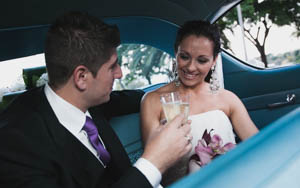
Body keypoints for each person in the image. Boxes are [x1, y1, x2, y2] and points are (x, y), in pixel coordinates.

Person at [0, 11, 192, 188]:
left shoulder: (83, 98)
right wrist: (154, 161)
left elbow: (130, 98)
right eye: (112, 66)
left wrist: (169, 94)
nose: (120, 73)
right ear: (82, 77)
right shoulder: (16, 148)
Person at [140, 20, 259, 186]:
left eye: (202, 60)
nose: (190, 67)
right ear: (176, 52)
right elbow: (153, 166)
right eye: (184, 57)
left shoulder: (228, 99)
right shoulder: (153, 101)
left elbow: (258, 148)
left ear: (214, 60)